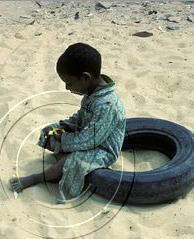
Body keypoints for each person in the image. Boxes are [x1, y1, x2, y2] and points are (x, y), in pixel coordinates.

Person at [9, 42, 126, 203]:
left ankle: (38, 178)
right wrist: (65, 126)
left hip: (103, 148)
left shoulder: (108, 104)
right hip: (89, 136)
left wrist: (64, 140)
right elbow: (81, 116)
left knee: (71, 160)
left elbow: (91, 140)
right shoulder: (91, 93)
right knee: (50, 130)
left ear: (85, 77)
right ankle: (60, 167)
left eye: (69, 83)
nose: (66, 87)